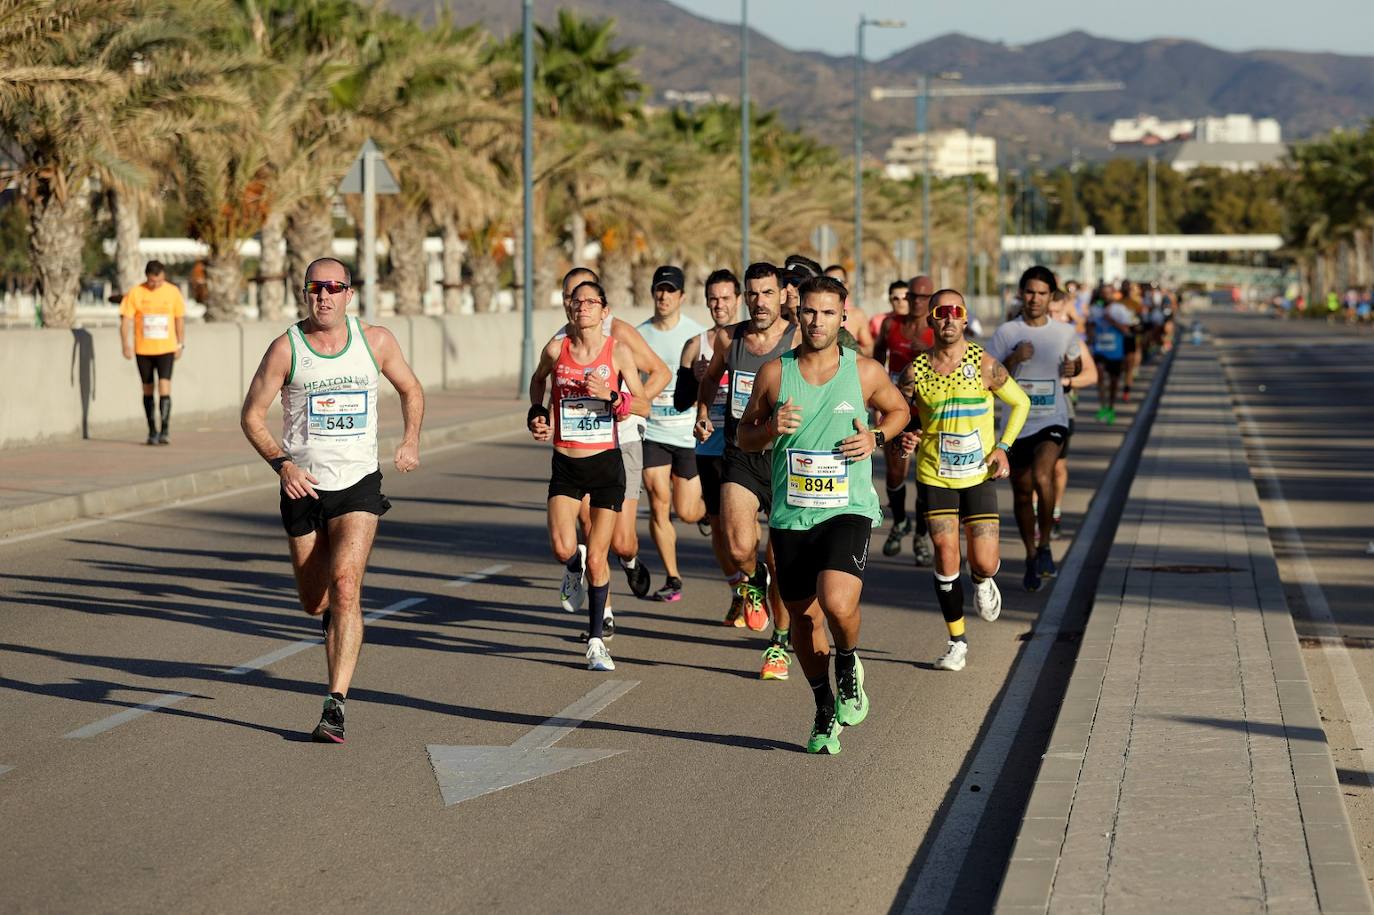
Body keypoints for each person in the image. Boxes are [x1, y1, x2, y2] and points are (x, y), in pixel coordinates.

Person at [240, 257, 425, 743]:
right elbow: (252, 416)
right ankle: (330, 619)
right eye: (314, 288)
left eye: (333, 287)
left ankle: (335, 703)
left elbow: (410, 388)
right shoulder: (287, 348)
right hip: (303, 487)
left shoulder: (376, 341)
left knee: (346, 585)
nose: (324, 296)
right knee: (314, 600)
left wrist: (410, 440)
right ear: (305, 294)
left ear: (349, 294)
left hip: (358, 483)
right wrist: (283, 464)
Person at [738, 274, 910, 754]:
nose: (817, 321)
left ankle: (849, 663)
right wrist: (770, 427)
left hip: (847, 510)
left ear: (842, 317)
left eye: (827, 313)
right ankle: (822, 707)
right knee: (804, 620)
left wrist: (875, 437)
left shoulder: (866, 372)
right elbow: (743, 437)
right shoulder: (775, 373)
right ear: (798, 313)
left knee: (836, 603)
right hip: (792, 517)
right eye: (809, 311)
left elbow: (899, 412)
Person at [900, 289, 1029, 672]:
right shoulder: (915, 371)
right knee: (944, 554)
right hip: (935, 474)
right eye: (942, 312)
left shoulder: (985, 364)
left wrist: (1003, 446)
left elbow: (1020, 402)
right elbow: (896, 413)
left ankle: (982, 579)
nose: (950, 319)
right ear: (932, 320)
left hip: (977, 475)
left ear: (965, 318)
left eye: (957, 312)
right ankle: (957, 641)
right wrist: (907, 433)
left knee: (985, 561)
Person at [534, 268, 670, 627]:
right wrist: (543, 417)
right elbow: (552, 390)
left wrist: (621, 404)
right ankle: (604, 615)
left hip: (620, 439)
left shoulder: (619, 335)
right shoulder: (559, 341)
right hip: (576, 450)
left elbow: (660, 373)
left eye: (584, 299)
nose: (575, 305)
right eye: (569, 298)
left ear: (602, 307)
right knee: (587, 536)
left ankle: (629, 560)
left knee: (621, 541)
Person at [527, 280, 648, 672]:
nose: (582, 308)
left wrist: (613, 397)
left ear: (603, 309)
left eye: (590, 302)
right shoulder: (556, 349)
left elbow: (643, 403)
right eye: (576, 302)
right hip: (566, 464)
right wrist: (537, 413)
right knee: (565, 548)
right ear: (569, 309)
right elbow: (538, 381)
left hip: (605, 466)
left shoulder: (618, 352)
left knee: (599, 555)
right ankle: (570, 566)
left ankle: (597, 641)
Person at [695, 262, 801, 680]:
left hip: (786, 457)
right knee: (739, 547)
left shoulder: (798, 339)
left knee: (781, 560)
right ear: (744, 296)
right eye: (753, 293)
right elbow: (711, 380)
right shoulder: (731, 337)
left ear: (782, 296)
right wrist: (703, 411)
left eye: (767, 293)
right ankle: (752, 580)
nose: (759, 302)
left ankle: (779, 645)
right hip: (740, 449)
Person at [986, 266, 1083, 591]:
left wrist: (1073, 367)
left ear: (1051, 297)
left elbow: (1076, 362)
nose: (1035, 299)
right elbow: (987, 374)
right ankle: (1031, 554)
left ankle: (1045, 547)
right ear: (1021, 294)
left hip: (1052, 419)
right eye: (1030, 292)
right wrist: (1014, 358)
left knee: (1044, 475)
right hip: (1016, 425)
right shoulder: (1006, 333)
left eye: (1042, 293)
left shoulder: (1064, 332)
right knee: (1023, 491)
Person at [676, 268, 743, 625]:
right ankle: (738, 589)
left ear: (738, 300)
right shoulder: (695, 345)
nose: (719, 305)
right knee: (718, 527)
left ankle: (755, 584)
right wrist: (698, 379)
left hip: (746, 448)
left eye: (726, 298)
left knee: (743, 528)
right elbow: (679, 401)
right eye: (713, 299)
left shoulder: (751, 342)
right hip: (709, 448)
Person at [637, 265, 707, 602]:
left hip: (688, 435)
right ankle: (673, 577)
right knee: (657, 501)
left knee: (688, 511)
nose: (663, 296)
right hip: (653, 431)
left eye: (670, 291)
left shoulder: (697, 335)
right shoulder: (638, 336)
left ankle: (705, 512)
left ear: (681, 296)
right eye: (658, 289)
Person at [873, 275, 934, 561]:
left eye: (925, 298)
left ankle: (922, 534)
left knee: (925, 478)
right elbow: (876, 363)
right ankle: (900, 521)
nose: (918, 302)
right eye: (914, 297)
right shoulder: (891, 325)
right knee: (895, 473)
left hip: (928, 415)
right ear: (907, 298)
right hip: (896, 411)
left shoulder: (938, 330)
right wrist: (875, 399)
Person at [1048, 289, 1098, 539]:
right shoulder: (1024, 336)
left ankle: (1054, 511)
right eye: (1049, 312)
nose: (1052, 316)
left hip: (1062, 409)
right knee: (1033, 470)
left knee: (1057, 467)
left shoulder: (1071, 339)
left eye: (1057, 312)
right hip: (1031, 412)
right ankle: (1039, 516)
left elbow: (1092, 374)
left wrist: (1069, 382)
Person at [120, 260, 186, 445]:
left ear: (164, 276)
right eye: (152, 282)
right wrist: (125, 344)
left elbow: (179, 319)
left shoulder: (172, 292)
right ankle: (152, 430)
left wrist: (180, 344)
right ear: (146, 277)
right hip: (143, 350)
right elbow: (126, 320)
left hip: (166, 349)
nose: (156, 285)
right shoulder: (136, 292)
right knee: (147, 389)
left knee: (164, 387)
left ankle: (165, 430)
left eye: (159, 281)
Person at [1089, 285, 1135, 424]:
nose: (1106, 296)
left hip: (1115, 351)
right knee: (1100, 376)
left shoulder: (1120, 310)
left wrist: (1112, 321)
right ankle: (1103, 406)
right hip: (1099, 349)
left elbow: (1127, 330)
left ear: (1113, 294)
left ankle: (1111, 407)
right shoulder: (1095, 309)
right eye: (1103, 293)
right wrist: (1090, 339)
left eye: (1109, 293)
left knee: (1114, 382)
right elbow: (1089, 326)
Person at [823, 264, 874, 356]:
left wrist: (848, 351)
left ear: (847, 284)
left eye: (839, 281)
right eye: (828, 281)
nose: (833, 285)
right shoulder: (815, 313)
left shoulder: (857, 315)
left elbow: (869, 348)